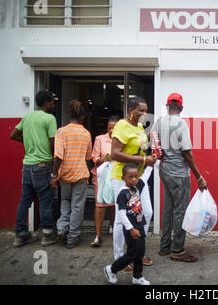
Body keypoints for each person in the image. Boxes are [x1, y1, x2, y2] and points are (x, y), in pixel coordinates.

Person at [156, 92, 207, 262]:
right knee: (180, 211)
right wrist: (199, 176)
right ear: (181, 107)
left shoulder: (158, 122)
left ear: (167, 106)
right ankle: (177, 249)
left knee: (168, 208)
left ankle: (164, 247)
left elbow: (153, 145)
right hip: (179, 173)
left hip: (164, 170)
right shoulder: (181, 124)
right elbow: (187, 152)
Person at [10, 90, 64, 248]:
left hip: (27, 165)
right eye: (52, 102)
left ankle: (20, 235)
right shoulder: (49, 118)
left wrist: (28, 143)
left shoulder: (27, 117)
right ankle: (47, 234)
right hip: (43, 165)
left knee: (24, 201)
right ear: (46, 103)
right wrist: (55, 171)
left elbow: (13, 135)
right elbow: (54, 144)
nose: (54, 104)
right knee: (45, 201)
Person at [111, 97, 157, 272]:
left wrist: (149, 136)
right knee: (120, 219)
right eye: (140, 110)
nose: (144, 114)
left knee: (147, 212)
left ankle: (137, 251)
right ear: (131, 110)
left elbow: (137, 145)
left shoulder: (138, 126)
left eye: (145, 111)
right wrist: (144, 159)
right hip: (121, 178)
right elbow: (115, 153)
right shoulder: (121, 125)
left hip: (137, 178)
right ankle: (119, 259)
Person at [51, 99, 92, 249]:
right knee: (77, 206)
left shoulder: (61, 132)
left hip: (65, 175)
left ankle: (62, 229)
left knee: (65, 202)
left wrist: (54, 176)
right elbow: (88, 157)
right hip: (80, 174)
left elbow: (58, 156)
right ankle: (72, 237)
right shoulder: (86, 134)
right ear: (82, 118)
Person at [104, 163, 153, 285]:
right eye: (130, 177)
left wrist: (153, 164)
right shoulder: (122, 193)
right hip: (131, 227)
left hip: (139, 225)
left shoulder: (137, 186)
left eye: (136, 176)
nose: (134, 179)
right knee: (132, 253)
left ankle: (137, 276)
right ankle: (111, 269)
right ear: (123, 178)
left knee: (140, 252)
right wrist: (131, 228)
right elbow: (121, 214)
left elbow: (145, 177)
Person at [90, 116, 119, 247]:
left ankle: (112, 227)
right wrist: (102, 160)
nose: (112, 130)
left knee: (113, 203)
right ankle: (98, 235)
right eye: (109, 128)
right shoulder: (100, 139)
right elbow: (94, 157)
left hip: (116, 175)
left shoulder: (122, 140)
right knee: (100, 204)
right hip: (101, 176)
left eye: (114, 127)